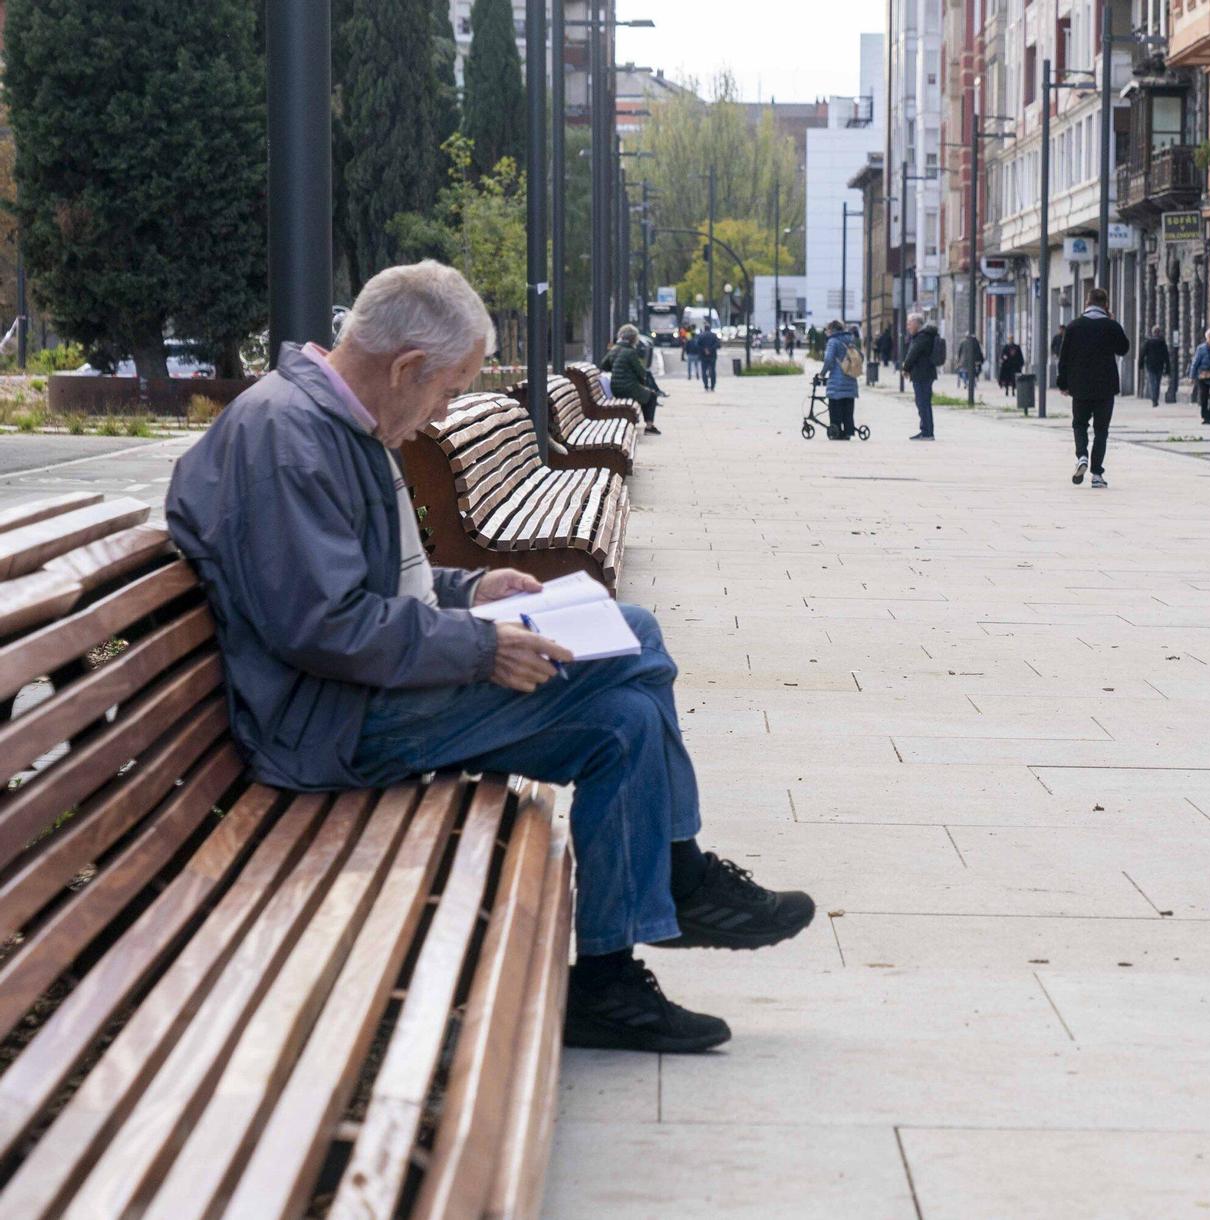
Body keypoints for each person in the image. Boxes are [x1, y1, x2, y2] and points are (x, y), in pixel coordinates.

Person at [164, 262, 814, 1055]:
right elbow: (324, 626)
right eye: (445, 391)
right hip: (327, 723)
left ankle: (605, 981)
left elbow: (363, 582)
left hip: (357, 693)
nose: (442, 410)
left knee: (623, 719)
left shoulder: (336, 422)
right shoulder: (287, 440)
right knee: (635, 634)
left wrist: (472, 590)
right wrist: (481, 646)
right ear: (405, 367)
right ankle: (676, 875)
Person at [1055, 286, 1129, 489]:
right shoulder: (1111, 326)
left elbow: (1064, 358)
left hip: (1080, 386)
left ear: (1087, 303)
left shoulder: (1073, 326)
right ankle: (1097, 473)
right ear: (1106, 305)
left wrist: (1063, 383)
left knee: (1079, 424)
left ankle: (1082, 456)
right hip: (1105, 386)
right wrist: (1113, 323)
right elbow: (1124, 349)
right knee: (1101, 430)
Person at [600, 324, 665, 435]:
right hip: (628, 388)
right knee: (652, 395)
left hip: (615, 388)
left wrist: (616, 368)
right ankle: (649, 426)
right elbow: (641, 372)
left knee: (645, 393)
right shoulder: (630, 352)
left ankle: (645, 424)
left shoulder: (614, 349)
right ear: (633, 339)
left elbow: (604, 365)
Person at [900, 311, 942, 440]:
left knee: (922, 403)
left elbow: (913, 354)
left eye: (909, 324)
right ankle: (926, 430)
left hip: (922, 374)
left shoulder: (922, 337)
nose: (907, 327)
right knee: (924, 403)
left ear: (917, 324)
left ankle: (927, 432)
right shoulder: (925, 336)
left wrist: (905, 368)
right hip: (925, 373)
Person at [819, 319, 860, 440]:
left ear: (831, 330)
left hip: (837, 380)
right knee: (848, 407)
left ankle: (836, 431)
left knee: (835, 406)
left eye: (827, 330)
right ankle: (848, 431)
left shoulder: (833, 341)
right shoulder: (851, 340)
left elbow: (828, 360)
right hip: (851, 378)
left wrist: (822, 374)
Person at [1139, 326, 1171, 407]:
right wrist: (1167, 367)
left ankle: (1154, 399)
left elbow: (1142, 354)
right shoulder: (1162, 343)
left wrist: (1141, 364)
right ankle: (1155, 398)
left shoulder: (1148, 342)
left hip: (1150, 365)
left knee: (1152, 382)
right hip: (1159, 365)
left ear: (1153, 333)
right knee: (1157, 382)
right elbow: (1166, 356)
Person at [956, 332, 985, 402]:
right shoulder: (975, 342)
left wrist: (959, 360)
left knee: (964, 372)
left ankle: (966, 382)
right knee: (972, 373)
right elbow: (979, 352)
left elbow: (959, 352)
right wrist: (980, 360)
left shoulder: (962, 342)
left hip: (964, 361)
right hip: (973, 361)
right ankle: (971, 383)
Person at [692, 321, 720, 391]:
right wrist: (710, 350)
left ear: (704, 329)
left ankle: (706, 386)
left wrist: (704, 350)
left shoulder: (701, 335)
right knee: (713, 371)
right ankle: (713, 386)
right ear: (710, 328)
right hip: (712, 355)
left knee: (704, 371)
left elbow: (697, 345)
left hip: (703, 356)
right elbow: (718, 344)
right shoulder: (714, 335)